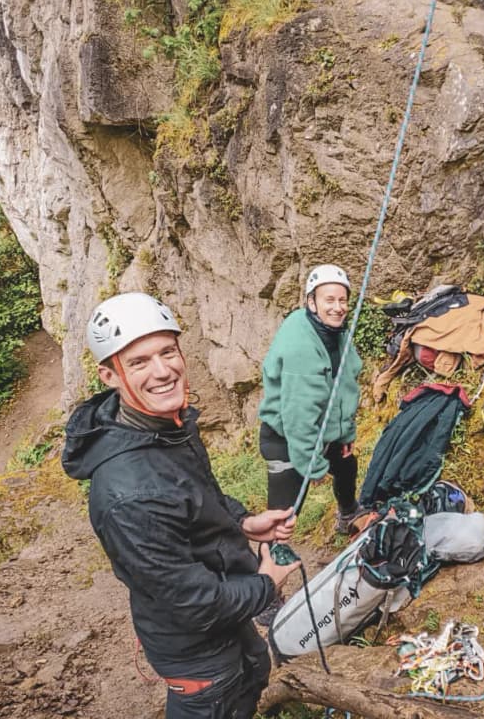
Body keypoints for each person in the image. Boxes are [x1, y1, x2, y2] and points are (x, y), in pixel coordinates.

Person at [62, 292, 298, 719]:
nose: (162, 371)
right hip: (197, 648)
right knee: (220, 698)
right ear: (109, 375)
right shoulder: (128, 495)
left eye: (168, 352)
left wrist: (243, 522)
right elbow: (195, 602)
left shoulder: (162, 424)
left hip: (226, 612)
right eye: (139, 362)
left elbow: (196, 494)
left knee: (253, 677)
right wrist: (267, 582)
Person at [258, 264, 362, 532]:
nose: (338, 307)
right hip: (285, 439)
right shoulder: (301, 346)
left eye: (342, 300)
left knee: (346, 466)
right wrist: (311, 465)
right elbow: (298, 416)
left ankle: (348, 514)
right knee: (283, 517)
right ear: (312, 302)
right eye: (329, 300)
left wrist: (345, 434)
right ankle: (268, 556)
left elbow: (345, 387)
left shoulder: (335, 334)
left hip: (321, 431)